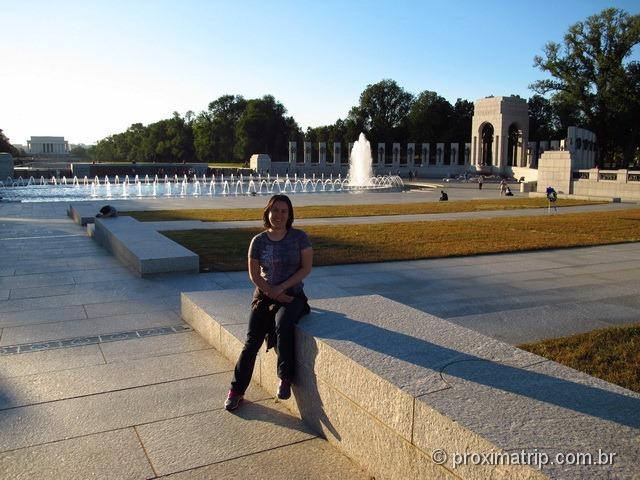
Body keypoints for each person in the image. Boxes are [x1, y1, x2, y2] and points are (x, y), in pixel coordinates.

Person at [224, 194, 313, 411]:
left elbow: (305, 268)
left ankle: (284, 378)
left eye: (284, 211)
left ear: (290, 214)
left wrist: (281, 289)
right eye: (275, 211)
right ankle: (236, 391)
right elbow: (254, 274)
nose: (279, 215)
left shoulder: (299, 237)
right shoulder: (258, 241)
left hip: (292, 296)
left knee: (283, 325)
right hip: (264, 296)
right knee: (251, 341)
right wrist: (272, 292)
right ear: (268, 213)